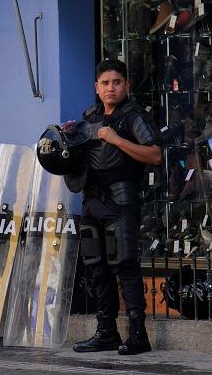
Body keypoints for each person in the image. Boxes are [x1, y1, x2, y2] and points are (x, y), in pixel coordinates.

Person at [73, 59, 163, 355]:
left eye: (117, 82)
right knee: (96, 269)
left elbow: (154, 155)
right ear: (96, 88)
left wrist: (116, 139)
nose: (111, 88)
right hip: (92, 201)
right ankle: (106, 333)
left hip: (122, 200)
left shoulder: (133, 116)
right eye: (105, 83)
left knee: (125, 265)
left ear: (127, 85)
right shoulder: (90, 116)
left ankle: (138, 336)